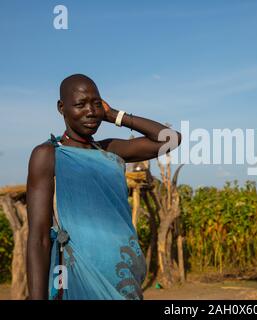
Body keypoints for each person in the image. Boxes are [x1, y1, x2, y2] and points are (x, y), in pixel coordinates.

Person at [26, 74, 182, 300]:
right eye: (80, 104)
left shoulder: (109, 150)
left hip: (123, 274)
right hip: (76, 274)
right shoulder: (49, 155)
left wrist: (113, 115)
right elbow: (38, 236)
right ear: (62, 108)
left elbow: (171, 139)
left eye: (96, 104)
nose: (91, 112)